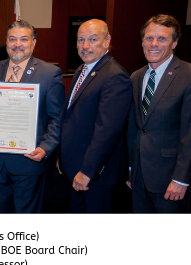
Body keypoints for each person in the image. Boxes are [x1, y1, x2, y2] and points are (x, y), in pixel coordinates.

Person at [0, 20, 64, 213]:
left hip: (30, 161)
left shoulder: (49, 73)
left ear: (34, 42)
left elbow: (57, 117)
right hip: (0, 160)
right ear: (6, 42)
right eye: (12, 39)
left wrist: (45, 148)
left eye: (23, 39)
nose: (17, 44)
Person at [58, 19, 132, 213]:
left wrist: (87, 172)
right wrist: (62, 157)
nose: (85, 46)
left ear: (107, 41)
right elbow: (70, 119)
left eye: (92, 39)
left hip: (95, 176)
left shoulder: (115, 76)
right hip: (76, 170)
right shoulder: (83, 71)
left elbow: (106, 132)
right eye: (80, 40)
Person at [128, 14, 191, 213]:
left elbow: (189, 134)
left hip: (170, 181)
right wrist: (131, 170)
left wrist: (181, 179)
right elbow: (134, 128)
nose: (153, 44)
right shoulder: (136, 77)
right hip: (138, 179)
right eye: (149, 38)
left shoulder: (188, 75)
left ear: (175, 43)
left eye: (162, 38)